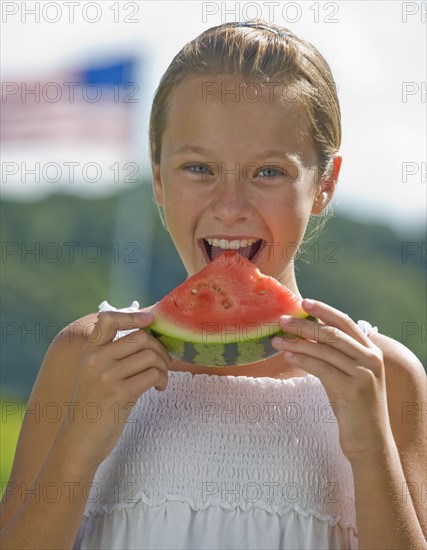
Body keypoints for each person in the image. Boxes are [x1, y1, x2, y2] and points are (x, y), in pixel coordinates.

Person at [1, 20, 426, 550]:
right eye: (199, 167)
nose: (230, 206)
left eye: (268, 172)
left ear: (325, 184)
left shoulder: (386, 379)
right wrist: (78, 448)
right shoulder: (85, 358)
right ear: (157, 177)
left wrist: (370, 453)